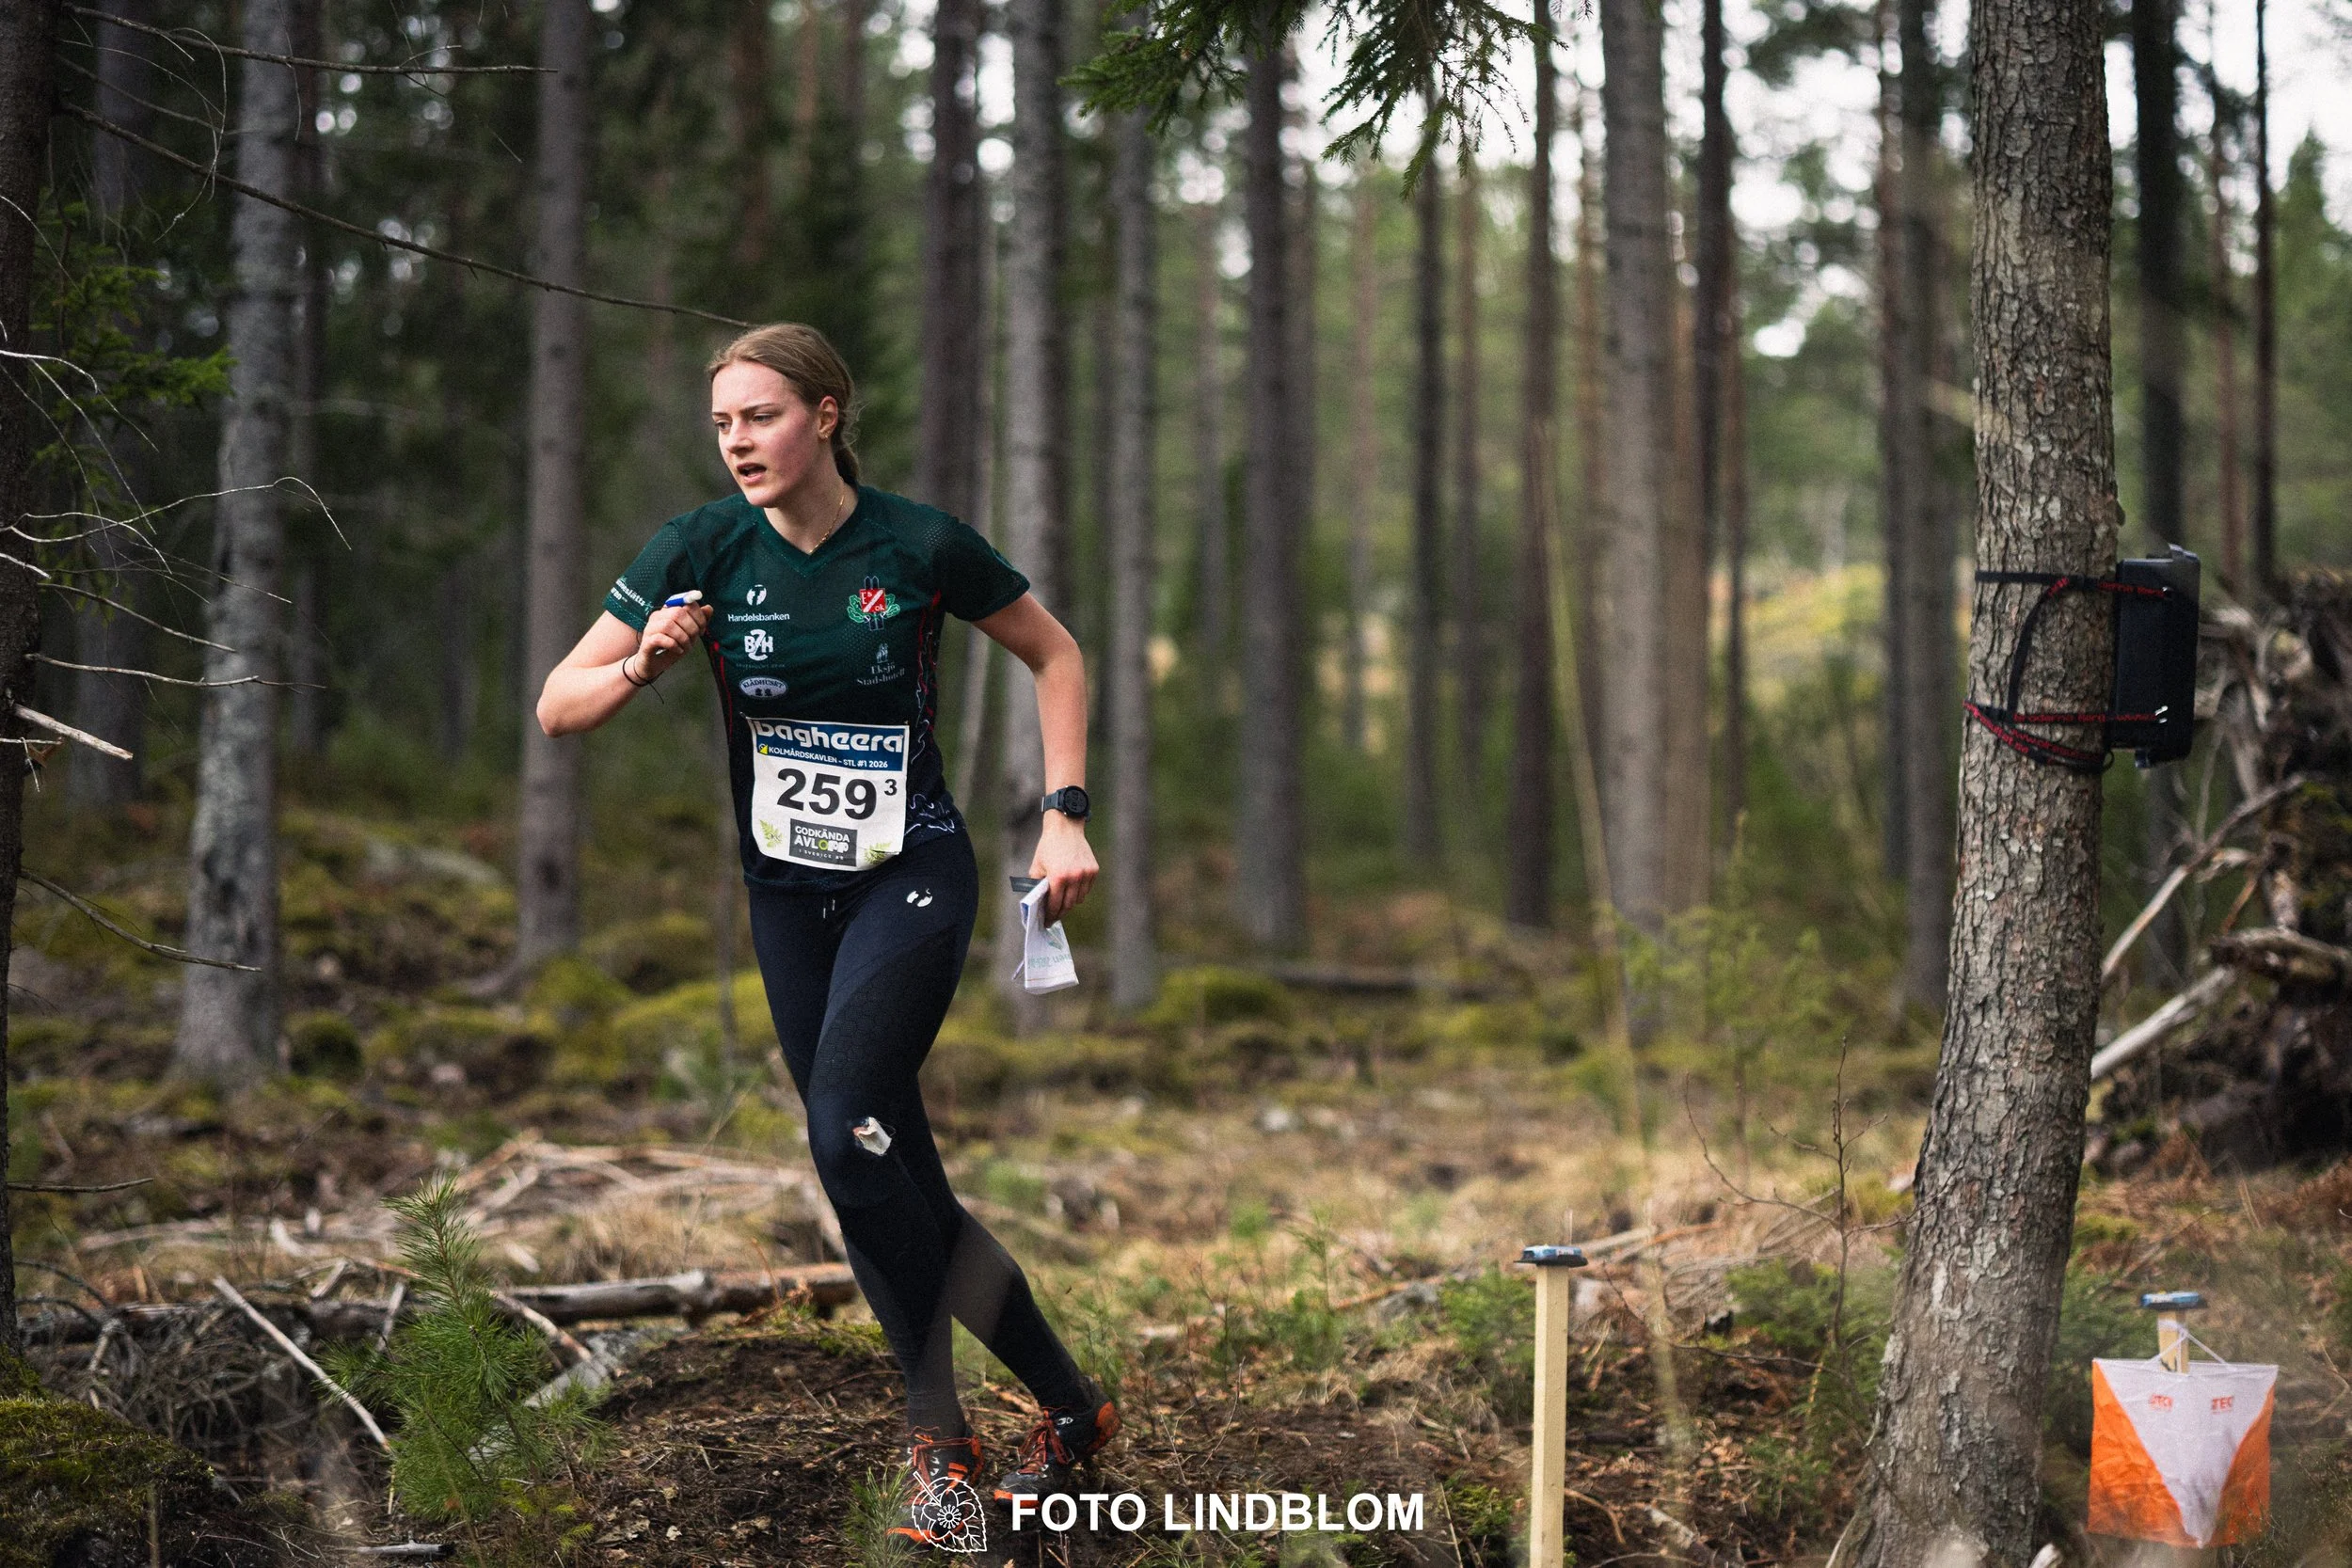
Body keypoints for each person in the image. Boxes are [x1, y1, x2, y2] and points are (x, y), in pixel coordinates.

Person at [537, 323, 1117, 1544]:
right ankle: (1069, 1408)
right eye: (723, 425)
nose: (740, 441)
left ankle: (938, 1443)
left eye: (762, 416)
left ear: (827, 414)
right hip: (787, 899)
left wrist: (1063, 815)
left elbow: (1056, 656)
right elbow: (560, 704)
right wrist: (644, 662)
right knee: (882, 1167)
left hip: (911, 872)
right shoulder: (702, 549)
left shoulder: (916, 545)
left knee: (844, 1135)